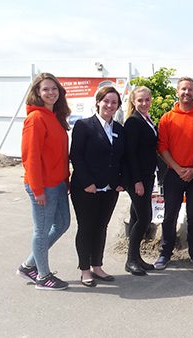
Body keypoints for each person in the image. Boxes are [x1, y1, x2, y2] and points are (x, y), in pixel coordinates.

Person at [17, 73, 71, 291]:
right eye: (45, 89)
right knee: (42, 230)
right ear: (37, 93)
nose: (51, 93)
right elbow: (30, 157)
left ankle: (29, 265)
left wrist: (65, 181)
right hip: (43, 186)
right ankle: (42, 276)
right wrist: (37, 189)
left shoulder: (55, 117)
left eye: (54, 89)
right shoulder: (35, 119)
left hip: (57, 183)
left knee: (63, 224)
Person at [69, 86, 127, 287]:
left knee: (101, 227)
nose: (110, 105)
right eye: (106, 101)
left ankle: (97, 266)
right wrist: (87, 183)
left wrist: (121, 181)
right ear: (98, 102)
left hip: (110, 189)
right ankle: (85, 270)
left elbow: (121, 159)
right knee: (86, 227)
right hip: (86, 188)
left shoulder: (119, 129)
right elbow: (76, 156)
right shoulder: (84, 126)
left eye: (114, 102)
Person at [154, 77, 193, 270]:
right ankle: (165, 252)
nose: (187, 93)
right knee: (170, 215)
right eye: (183, 89)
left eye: (190, 89)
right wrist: (178, 169)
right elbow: (162, 148)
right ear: (177, 92)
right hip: (173, 174)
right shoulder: (167, 118)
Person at [123, 86, 158, 276]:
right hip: (138, 178)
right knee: (145, 218)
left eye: (147, 100)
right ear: (133, 102)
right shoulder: (133, 122)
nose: (144, 103)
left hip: (147, 175)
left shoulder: (147, 119)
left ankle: (136, 258)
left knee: (137, 216)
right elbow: (131, 154)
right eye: (140, 101)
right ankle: (130, 260)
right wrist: (137, 181)